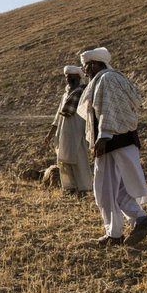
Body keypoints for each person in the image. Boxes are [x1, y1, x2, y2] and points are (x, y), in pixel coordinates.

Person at [76, 47, 147, 246]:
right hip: (121, 141)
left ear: (94, 64)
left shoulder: (106, 79)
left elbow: (108, 109)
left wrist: (103, 136)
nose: (84, 71)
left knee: (105, 190)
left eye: (85, 66)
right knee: (120, 189)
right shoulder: (112, 78)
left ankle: (114, 234)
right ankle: (140, 220)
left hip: (112, 142)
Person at [42, 65, 92, 196]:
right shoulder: (65, 95)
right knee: (63, 161)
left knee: (79, 160)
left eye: (71, 76)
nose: (68, 79)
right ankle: (69, 188)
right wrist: (50, 134)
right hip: (63, 133)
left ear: (78, 77)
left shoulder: (84, 93)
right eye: (66, 76)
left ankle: (84, 189)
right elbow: (58, 116)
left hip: (78, 132)